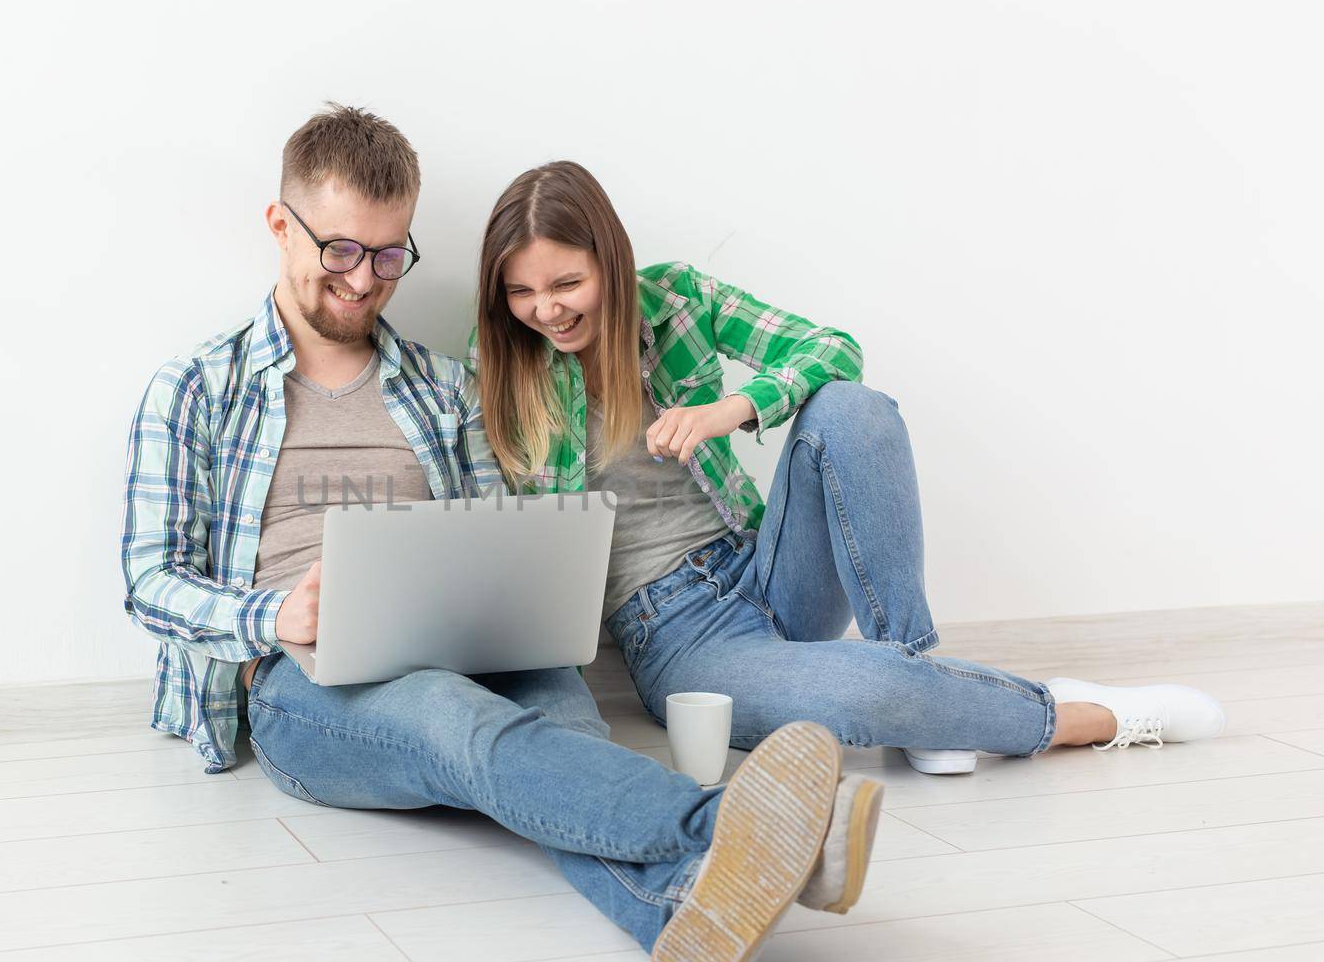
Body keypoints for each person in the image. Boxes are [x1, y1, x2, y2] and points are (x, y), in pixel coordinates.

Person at [120, 104, 883, 962]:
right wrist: (272, 613)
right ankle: (754, 832)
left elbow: (495, 524)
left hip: (468, 639)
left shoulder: (446, 386)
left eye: (390, 254)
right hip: (301, 681)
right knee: (457, 720)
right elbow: (146, 581)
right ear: (281, 224)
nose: (365, 280)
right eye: (340, 250)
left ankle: (681, 914)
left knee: (557, 738)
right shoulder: (196, 387)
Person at [469, 160, 1226, 774]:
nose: (547, 310)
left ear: (614, 262)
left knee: (852, 407)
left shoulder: (678, 299)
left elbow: (832, 348)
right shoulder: (501, 367)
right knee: (869, 694)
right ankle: (1087, 716)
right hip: (677, 636)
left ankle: (919, 673)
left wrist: (730, 410)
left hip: (763, 564)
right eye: (523, 292)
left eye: (567, 283)